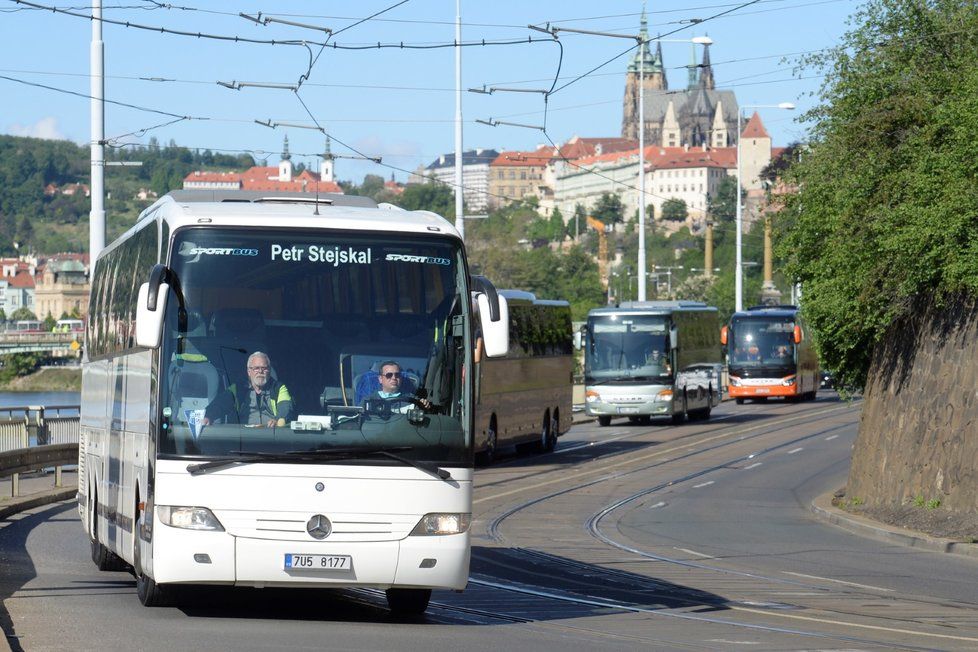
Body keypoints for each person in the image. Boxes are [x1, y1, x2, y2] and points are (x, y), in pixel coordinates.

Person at [203, 351, 295, 427]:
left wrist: (278, 420)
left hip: (272, 437)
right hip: (243, 440)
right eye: (256, 368)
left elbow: (285, 408)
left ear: (269, 371)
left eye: (264, 368)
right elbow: (220, 404)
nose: (260, 371)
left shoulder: (279, 388)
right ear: (249, 371)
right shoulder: (238, 388)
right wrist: (208, 416)